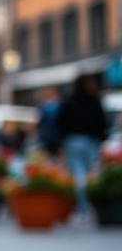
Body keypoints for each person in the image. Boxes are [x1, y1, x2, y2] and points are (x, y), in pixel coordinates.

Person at [56, 74, 108, 216]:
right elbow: (102, 122)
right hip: (88, 140)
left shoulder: (69, 100)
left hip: (74, 140)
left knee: (80, 175)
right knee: (92, 173)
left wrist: (62, 139)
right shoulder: (94, 100)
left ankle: (83, 208)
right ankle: (91, 206)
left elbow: (60, 121)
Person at [36, 86, 62, 156]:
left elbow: (41, 123)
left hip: (50, 136)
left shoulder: (45, 106)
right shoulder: (59, 104)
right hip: (55, 136)